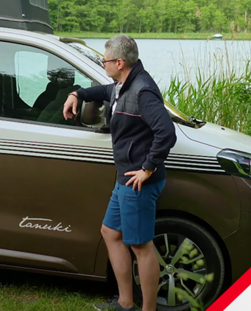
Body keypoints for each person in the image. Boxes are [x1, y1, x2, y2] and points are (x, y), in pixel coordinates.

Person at [62, 35, 176, 311]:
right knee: (110, 232)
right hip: (125, 178)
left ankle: (148, 309)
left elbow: (166, 132)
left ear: (120, 62)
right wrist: (77, 94)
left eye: (105, 61)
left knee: (140, 246)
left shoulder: (142, 91)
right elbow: (105, 91)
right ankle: (125, 303)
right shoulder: (122, 85)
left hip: (137, 182)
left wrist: (148, 168)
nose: (104, 64)